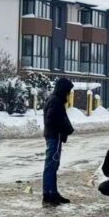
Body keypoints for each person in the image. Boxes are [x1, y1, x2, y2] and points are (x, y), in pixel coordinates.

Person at [42, 77, 75, 206]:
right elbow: (52, 120)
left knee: (53, 166)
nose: (68, 94)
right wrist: (64, 128)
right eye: (67, 91)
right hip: (54, 136)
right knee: (51, 165)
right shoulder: (55, 101)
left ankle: (52, 192)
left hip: (55, 136)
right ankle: (49, 193)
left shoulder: (55, 100)